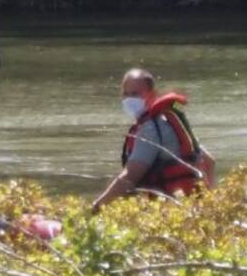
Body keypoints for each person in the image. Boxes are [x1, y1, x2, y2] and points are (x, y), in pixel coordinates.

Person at [91, 68, 215, 211]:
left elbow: (130, 177)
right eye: (125, 94)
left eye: (135, 94)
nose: (129, 99)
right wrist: (210, 203)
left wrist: (96, 207)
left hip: (170, 210)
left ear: (152, 94)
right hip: (192, 205)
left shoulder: (150, 128)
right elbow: (209, 161)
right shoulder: (169, 120)